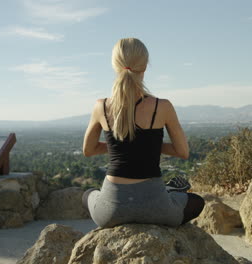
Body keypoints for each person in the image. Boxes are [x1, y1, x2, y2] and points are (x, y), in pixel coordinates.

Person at [82, 38, 204, 228]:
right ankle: (169, 191)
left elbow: (88, 150)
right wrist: (149, 148)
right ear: (145, 66)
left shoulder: (101, 106)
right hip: (156, 207)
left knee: (88, 195)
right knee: (197, 202)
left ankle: (168, 191)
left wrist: (122, 148)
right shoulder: (162, 106)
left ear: (115, 66)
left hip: (111, 212)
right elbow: (183, 152)